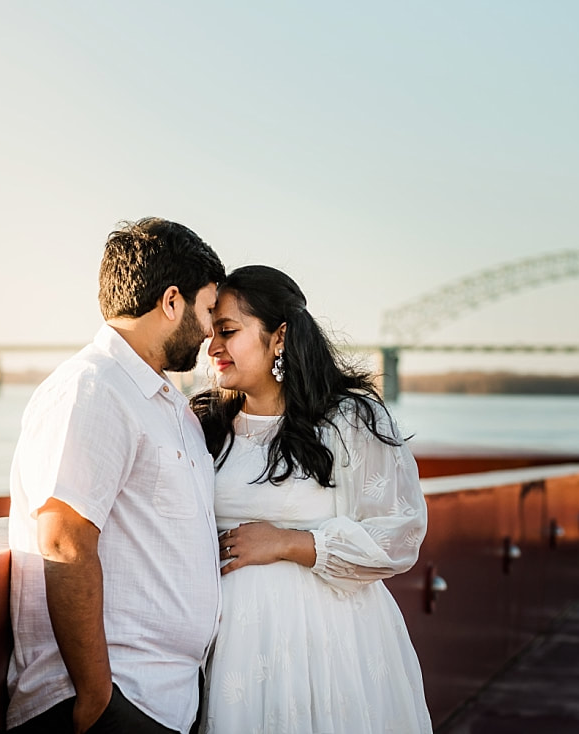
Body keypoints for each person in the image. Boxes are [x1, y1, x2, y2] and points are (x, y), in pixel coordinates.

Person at [190, 265, 433, 733]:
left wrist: (286, 542)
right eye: (210, 332)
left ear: (278, 337)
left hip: (328, 647)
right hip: (229, 649)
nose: (213, 346)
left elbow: (400, 534)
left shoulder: (350, 420)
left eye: (229, 331)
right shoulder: (203, 423)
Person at [6, 218, 225, 734]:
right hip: (112, 702)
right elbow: (63, 541)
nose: (213, 328)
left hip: (164, 701)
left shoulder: (169, 407)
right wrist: (97, 698)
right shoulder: (93, 388)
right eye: (209, 308)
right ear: (172, 301)